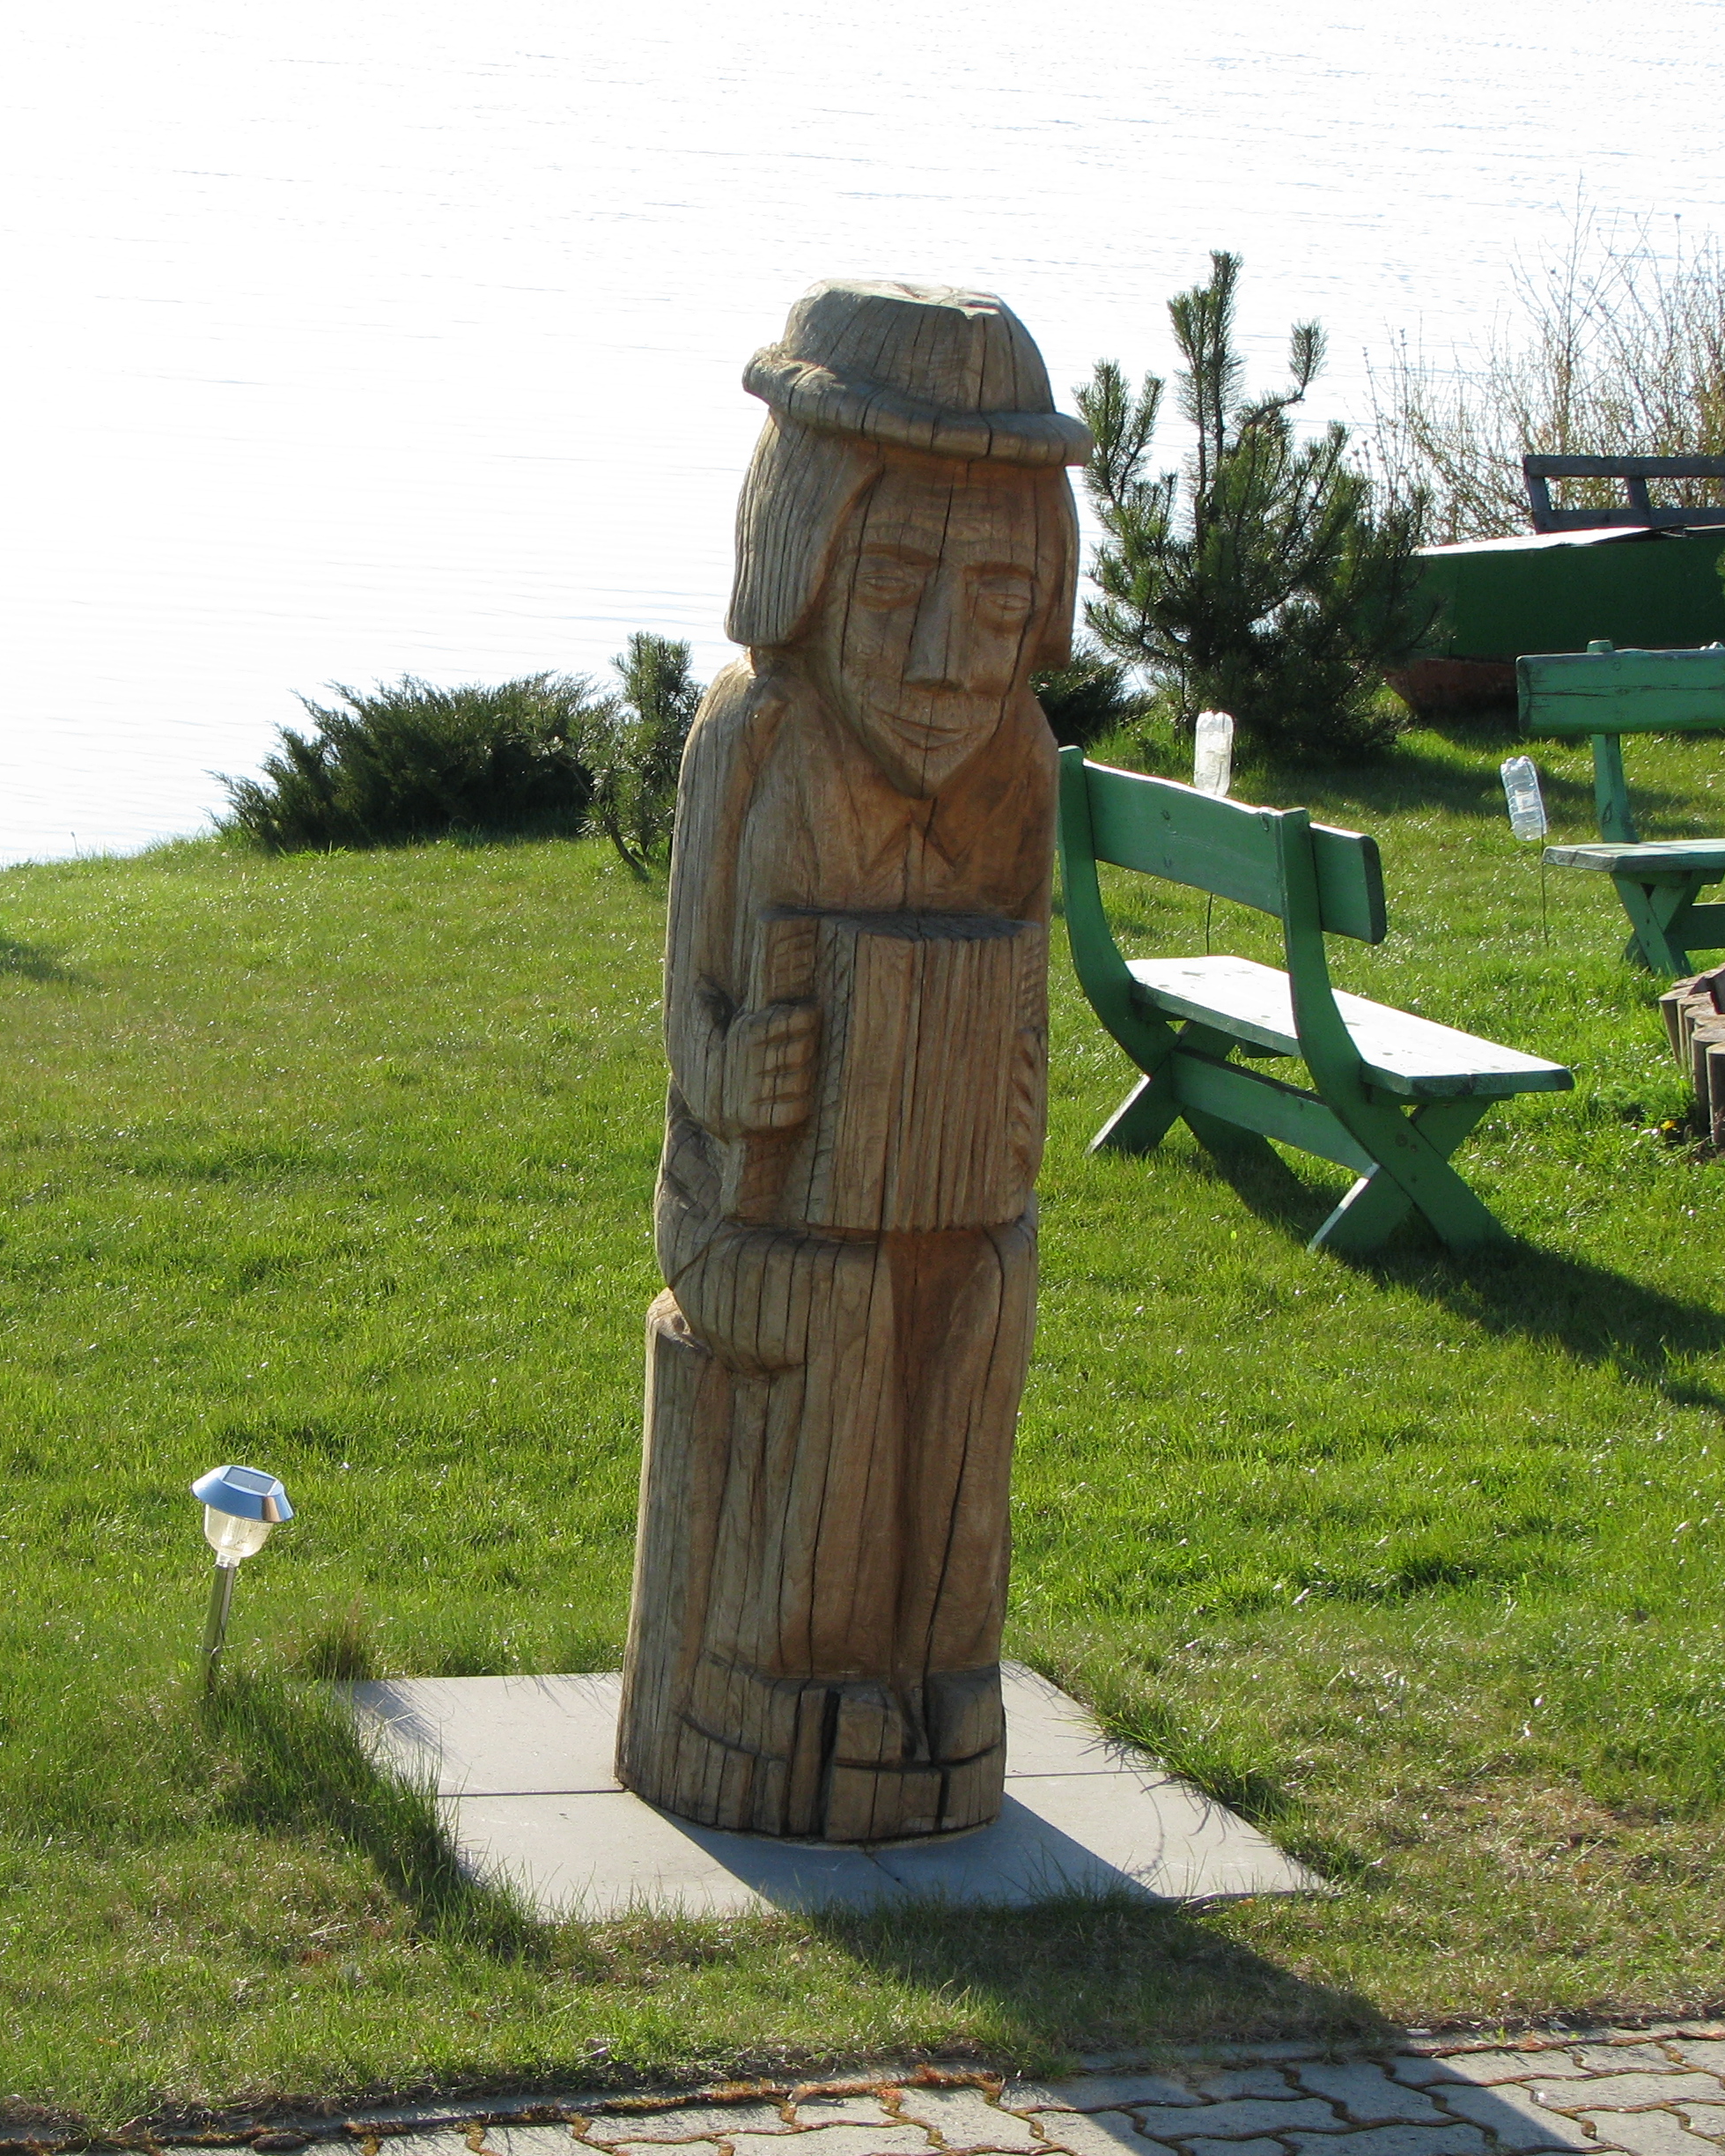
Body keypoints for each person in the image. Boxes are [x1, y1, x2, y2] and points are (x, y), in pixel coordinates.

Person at [618, 280, 1092, 1842]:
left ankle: (944, 1670)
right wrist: (727, 1069)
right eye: (894, 582)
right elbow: (691, 1002)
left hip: (948, 1203)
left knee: (986, 1299)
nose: (951, 656)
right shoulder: (755, 735)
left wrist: (1002, 1105)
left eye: (1000, 597)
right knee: (840, 1314)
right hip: (751, 1220)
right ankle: (780, 1679)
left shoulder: (1020, 765)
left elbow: (1024, 998)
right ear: (806, 554)